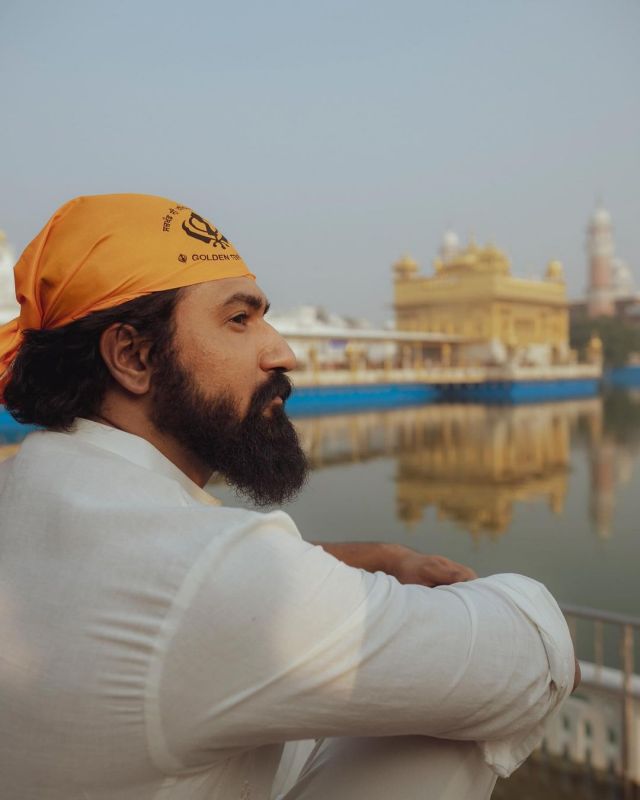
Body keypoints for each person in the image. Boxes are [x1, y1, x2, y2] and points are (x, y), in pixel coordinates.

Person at [0, 194, 578, 800]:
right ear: (134, 356)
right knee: (454, 711)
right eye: (238, 320)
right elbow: (538, 655)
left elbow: (147, 584)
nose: (283, 353)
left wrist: (364, 558)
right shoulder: (210, 575)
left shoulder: (29, 490)